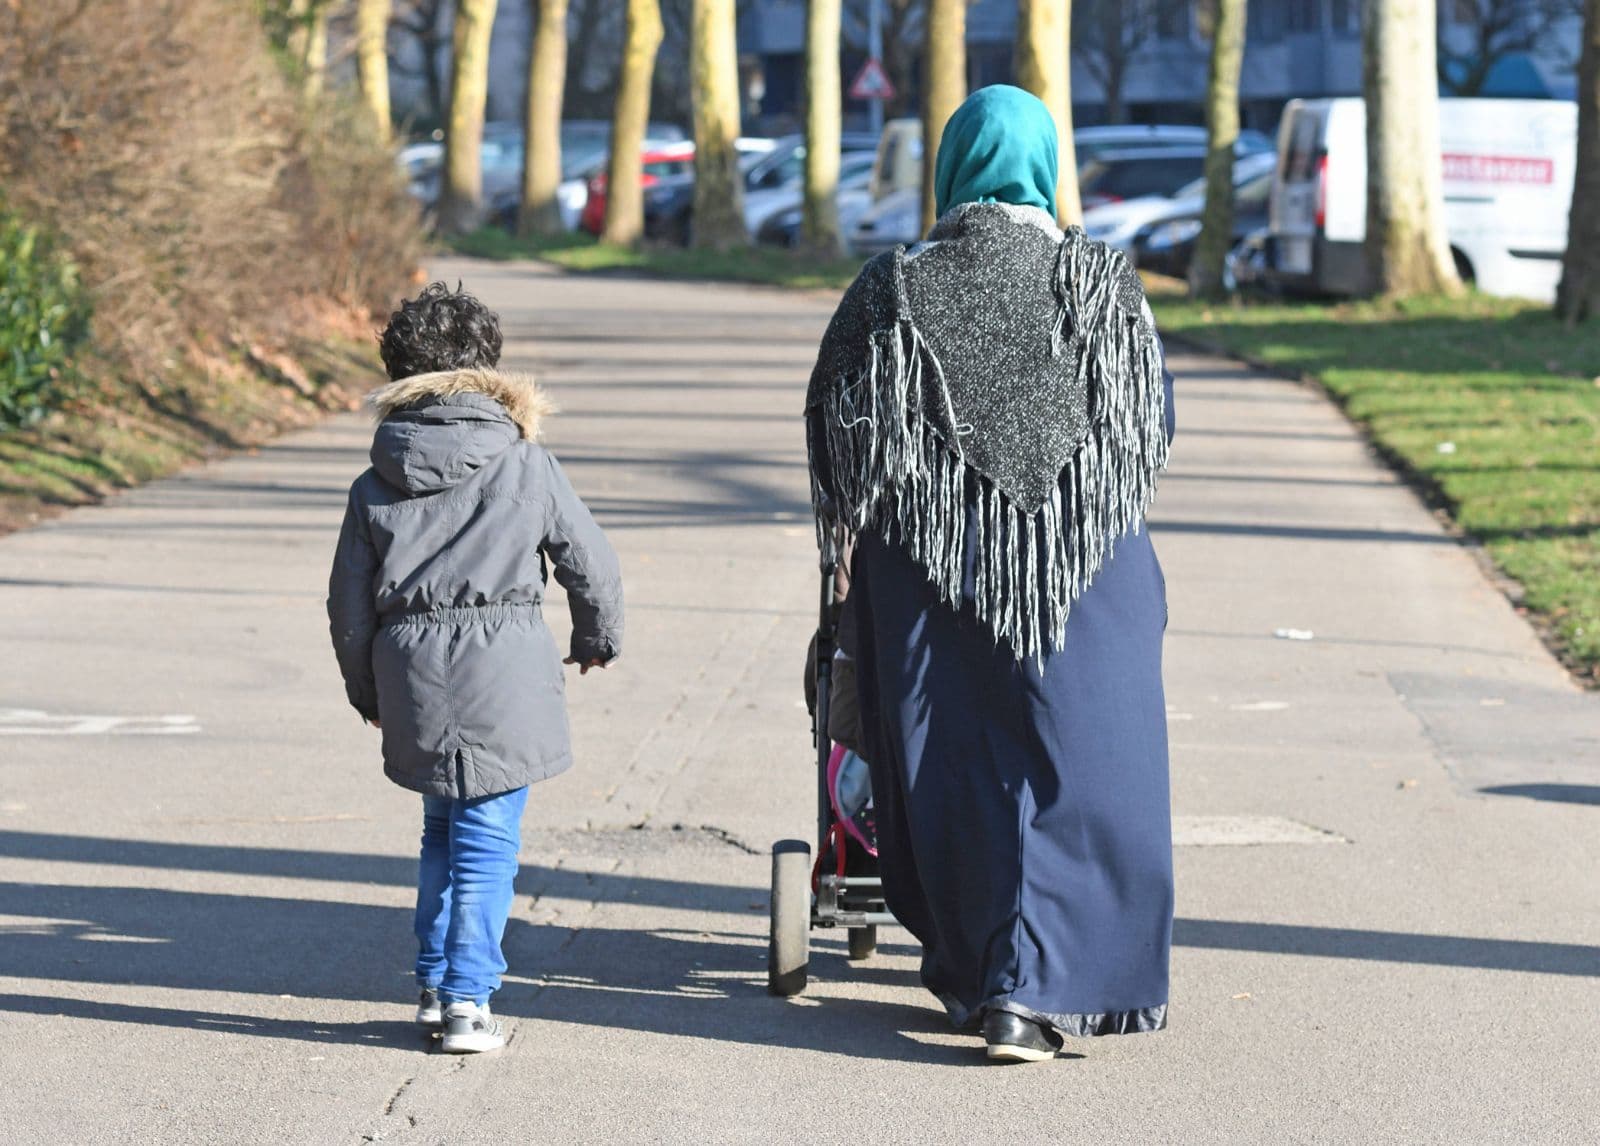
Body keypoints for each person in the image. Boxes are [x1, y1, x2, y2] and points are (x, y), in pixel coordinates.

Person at [805, 86, 1175, 1063]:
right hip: (1084, 551)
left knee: (953, 759)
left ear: (950, 167)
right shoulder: (1101, 284)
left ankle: (985, 978)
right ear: (1050, 170)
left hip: (928, 557)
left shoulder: (893, 284)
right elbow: (1150, 428)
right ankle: (1038, 989)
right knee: (1085, 756)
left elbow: (838, 428)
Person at [327, 283, 623, 1054]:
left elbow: (348, 603)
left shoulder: (373, 482)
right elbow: (588, 561)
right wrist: (596, 637)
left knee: (439, 828)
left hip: (411, 671)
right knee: (488, 834)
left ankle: (433, 981)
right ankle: (467, 999)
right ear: (486, 364)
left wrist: (368, 689)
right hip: (507, 671)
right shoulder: (526, 464)